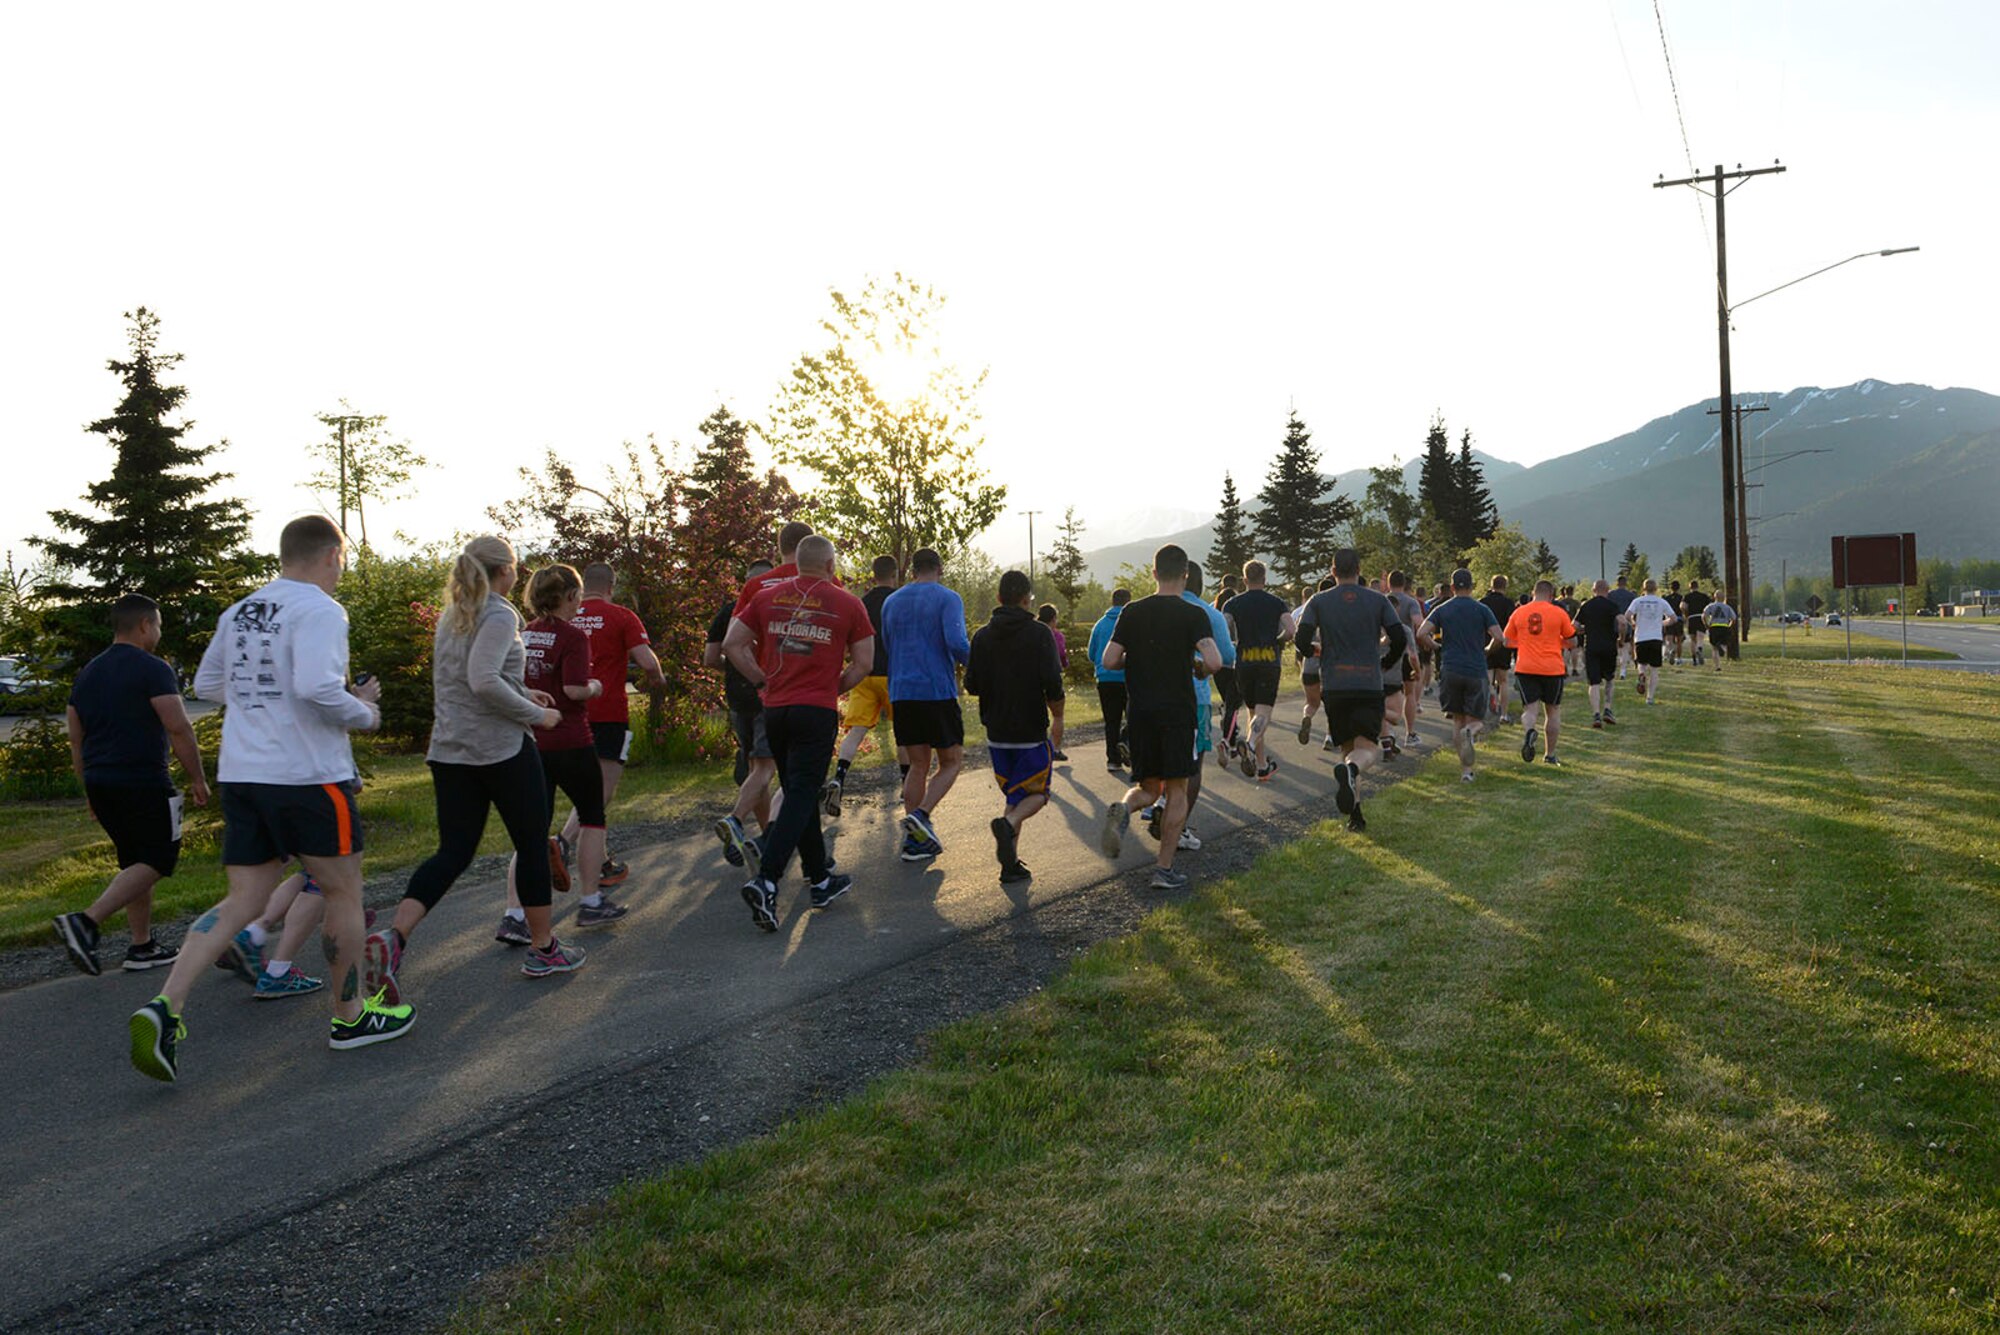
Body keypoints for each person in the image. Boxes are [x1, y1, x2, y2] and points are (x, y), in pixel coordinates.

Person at [128, 516, 409, 1083]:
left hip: (244, 774)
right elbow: (316, 688)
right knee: (342, 892)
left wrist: (267, 698)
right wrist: (366, 713)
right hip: (309, 776)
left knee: (242, 899)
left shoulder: (241, 610)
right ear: (332, 554)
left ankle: (165, 1004)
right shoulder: (322, 610)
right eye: (343, 558)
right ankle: (350, 1016)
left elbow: (207, 685)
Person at [366, 535, 578, 1002]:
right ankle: (544, 949)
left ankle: (394, 938)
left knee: (454, 851)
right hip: (500, 749)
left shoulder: (454, 614)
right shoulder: (500, 612)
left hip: (450, 751)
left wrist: (524, 693)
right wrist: (535, 714)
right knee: (530, 843)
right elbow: (483, 681)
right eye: (517, 565)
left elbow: (481, 677)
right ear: (504, 571)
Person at [721, 535, 872, 931]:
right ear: (830, 564)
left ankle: (820, 878)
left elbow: (733, 644)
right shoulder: (846, 601)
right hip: (815, 711)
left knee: (798, 792)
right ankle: (767, 879)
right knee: (802, 793)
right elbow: (864, 663)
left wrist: (760, 680)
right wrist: (831, 687)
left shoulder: (767, 596)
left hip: (776, 710)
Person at [54, 593, 209, 977]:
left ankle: (141, 946)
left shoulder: (87, 673)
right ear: (144, 625)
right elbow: (178, 727)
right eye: (157, 625)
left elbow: (77, 738)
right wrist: (198, 777)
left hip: (101, 781)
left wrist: (88, 789)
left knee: (135, 861)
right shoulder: (152, 668)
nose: (158, 632)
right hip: (142, 779)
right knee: (159, 857)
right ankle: (85, 922)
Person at [499, 563, 626, 947]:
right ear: (570, 596)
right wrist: (595, 686)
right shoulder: (572, 636)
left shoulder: (524, 633)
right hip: (570, 737)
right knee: (592, 817)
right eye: (577, 598)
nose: (579, 607)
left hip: (531, 739)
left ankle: (514, 914)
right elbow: (572, 689)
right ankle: (591, 900)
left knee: (531, 830)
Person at [1097, 545, 1222, 890]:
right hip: (1178, 712)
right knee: (1177, 788)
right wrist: (1197, 668)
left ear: (1153, 573)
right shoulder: (1192, 613)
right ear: (1185, 574)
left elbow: (1109, 660)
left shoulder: (1132, 611)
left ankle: (1124, 809)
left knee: (1148, 788)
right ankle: (1163, 869)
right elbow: (1214, 662)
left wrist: (1132, 662)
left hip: (1140, 712)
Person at [565, 563, 665, 888]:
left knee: (585, 789)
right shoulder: (621, 616)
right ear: (611, 585)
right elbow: (647, 662)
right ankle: (562, 843)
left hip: (567, 715)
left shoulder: (565, 616)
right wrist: (658, 681)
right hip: (607, 713)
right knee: (600, 792)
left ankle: (603, 863)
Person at [1293, 549, 1407, 831]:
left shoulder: (1318, 601)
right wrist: (1386, 662)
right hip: (1368, 683)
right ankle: (1352, 772)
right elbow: (1399, 637)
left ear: (1332, 572)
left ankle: (1356, 816)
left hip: (1334, 684)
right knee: (1368, 749)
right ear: (1358, 569)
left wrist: (1313, 651)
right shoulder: (1378, 600)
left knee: (1347, 747)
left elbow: (1300, 637)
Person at [964, 571, 1064, 884]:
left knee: (1014, 794)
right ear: (1027, 598)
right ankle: (1010, 825)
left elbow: (972, 685)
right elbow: (1052, 680)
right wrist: (1056, 709)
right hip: (1030, 730)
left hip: (996, 731)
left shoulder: (981, 636)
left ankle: (1010, 865)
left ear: (998, 598)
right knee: (1037, 794)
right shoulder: (1039, 633)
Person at [880, 548, 970, 861]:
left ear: (913, 570)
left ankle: (914, 843)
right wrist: (979, 665)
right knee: (952, 760)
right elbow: (957, 643)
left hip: (902, 690)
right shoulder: (948, 598)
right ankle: (922, 816)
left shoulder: (891, 601)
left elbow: (889, 643)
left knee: (917, 765)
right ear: (940, 569)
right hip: (935, 690)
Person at [822, 554, 905, 818]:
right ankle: (907, 784)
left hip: (863, 674)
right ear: (894, 574)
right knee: (902, 733)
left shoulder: (861, 603)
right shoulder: (900, 601)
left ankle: (840, 777)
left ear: (873, 574)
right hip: (894, 674)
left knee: (855, 732)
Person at [708, 558, 776, 867]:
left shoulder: (727, 612)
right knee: (765, 769)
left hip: (737, 698)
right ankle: (737, 822)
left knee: (755, 768)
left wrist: (735, 669)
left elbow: (710, 658)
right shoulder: (777, 606)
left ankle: (766, 838)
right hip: (767, 694)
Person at [1168, 562, 1235, 851]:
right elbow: (1226, 657)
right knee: (1193, 765)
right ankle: (1178, 827)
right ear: (1200, 584)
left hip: (1153, 696)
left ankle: (1155, 803)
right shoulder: (1210, 614)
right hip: (1195, 697)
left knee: (1165, 758)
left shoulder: (1152, 608)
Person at [1416, 569, 1504, 782]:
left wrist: (1436, 646)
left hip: (1451, 668)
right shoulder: (1482, 609)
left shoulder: (1442, 609)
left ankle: (1465, 771)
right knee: (1476, 721)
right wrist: (1488, 649)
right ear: (1472, 587)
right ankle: (1471, 733)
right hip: (1475, 669)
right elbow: (1500, 637)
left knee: (1457, 720)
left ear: (1453, 587)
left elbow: (1420, 633)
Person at [1221, 561, 1290, 780]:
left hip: (1244, 662)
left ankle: (1261, 766)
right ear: (1265, 579)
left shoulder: (1233, 603)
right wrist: (1278, 642)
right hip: (1268, 661)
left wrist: (1233, 643)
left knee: (1254, 714)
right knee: (1263, 714)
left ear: (1244, 579)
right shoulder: (1277, 602)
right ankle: (1249, 745)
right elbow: (1291, 630)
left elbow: (1223, 629)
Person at [1502, 581, 1577, 766]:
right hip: (1552, 667)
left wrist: (1523, 644)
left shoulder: (1519, 612)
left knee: (1530, 708)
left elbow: (1506, 640)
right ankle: (1550, 754)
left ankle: (1529, 731)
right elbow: (1572, 640)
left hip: (1526, 667)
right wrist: (1559, 643)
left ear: (1532, 592)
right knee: (1552, 711)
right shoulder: (1559, 613)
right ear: (1551, 595)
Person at [1088, 589, 1131, 772]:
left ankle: (1113, 760)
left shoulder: (1099, 625)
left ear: (1112, 601)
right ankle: (1127, 744)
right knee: (1134, 717)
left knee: (1111, 720)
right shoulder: (1132, 622)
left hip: (1105, 678)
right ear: (1128, 602)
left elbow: (1091, 653)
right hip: (1128, 677)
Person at [1573, 579, 1626, 728]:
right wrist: (1621, 638)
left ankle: (1596, 713)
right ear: (1608, 590)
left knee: (1594, 682)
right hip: (1609, 646)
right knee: (1609, 679)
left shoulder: (1586, 605)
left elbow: (1574, 625)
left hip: (1591, 647)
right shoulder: (1612, 605)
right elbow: (1622, 622)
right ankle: (1607, 709)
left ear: (1593, 590)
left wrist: (1584, 629)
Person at [1625, 578, 1679, 706]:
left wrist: (1633, 623)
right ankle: (1650, 697)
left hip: (1641, 637)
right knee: (1654, 669)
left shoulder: (1637, 601)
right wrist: (1662, 623)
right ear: (1656, 589)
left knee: (1641, 663)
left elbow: (1627, 615)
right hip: (1655, 637)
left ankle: (1641, 674)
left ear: (1643, 589)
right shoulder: (1661, 602)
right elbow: (1674, 618)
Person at [1295, 576, 1336, 744]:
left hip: (1309, 664)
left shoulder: (1309, 610)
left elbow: (1298, 639)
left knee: (1311, 703)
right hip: (1329, 664)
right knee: (1332, 705)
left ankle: (1307, 717)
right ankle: (1330, 736)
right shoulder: (1336, 610)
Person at [1210, 572, 1244, 762]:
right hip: (1234, 661)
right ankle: (1227, 741)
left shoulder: (1212, 613)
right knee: (1234, 704)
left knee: (1228, 702)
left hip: (1217, 663)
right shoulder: (1237, 613)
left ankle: (1230, 739)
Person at [1480, 575, 1518, 726]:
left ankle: (1489, 696)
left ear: (1491, 585)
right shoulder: (1509, 604)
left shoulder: (1483, 602)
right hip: (1503, 642)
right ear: (1505, 586)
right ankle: (1504, 714)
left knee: (1488, 677)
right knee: (1503, 680)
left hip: (1486, 642)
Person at [1036, 602, 1071, 761]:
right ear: (1053, 619)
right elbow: (1062, 657)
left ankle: (1039, 747)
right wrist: (1065, 665)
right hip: (1053, 678)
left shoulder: (1031, 632)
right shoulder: (1057, 636)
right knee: (1057, 715)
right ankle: (1055, 748)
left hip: (1034, 678)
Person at [1608, 574, 1638, 679]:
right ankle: (1623, 671)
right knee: (1625, 648)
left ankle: (1611, 669)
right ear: (1625, 583)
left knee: (1613, 649)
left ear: (1617, 583)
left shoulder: (1611, 595)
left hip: (1613, 624)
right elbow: (1634, 611)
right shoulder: (1631, 596)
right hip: (1627, 625)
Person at [1703, 589, 1739, 668]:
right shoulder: (1727, 607)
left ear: (1714, 597)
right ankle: (1721, 647)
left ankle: (1717, 666)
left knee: (1714, 648)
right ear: (1724, 598)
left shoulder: (1710, 606)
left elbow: (1704, 615)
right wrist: (1730, 625)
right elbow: (1734, 618)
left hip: (1714, 627)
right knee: (1724, 644)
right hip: (1724, 627)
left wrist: (1706, 624)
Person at [1556, 584, 1584, 678]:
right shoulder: (1576, 603)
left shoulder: (1561, 602)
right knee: (1574, 648)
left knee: (1564, 649)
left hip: (1562, 627)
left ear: (1564, 592)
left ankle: (1565, 667)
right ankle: (1574, 669)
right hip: (1573, 627)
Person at [1682, 581, 1709, 666]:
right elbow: (1709, 607)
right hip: (1701, 616)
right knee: (1700, 637)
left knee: (1693, 639)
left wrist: (1686, 614)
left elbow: (1683, 606)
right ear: (1698, 586)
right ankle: (1699, 648)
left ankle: (1694, 659)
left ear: (1690, 587)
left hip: (1691, 617)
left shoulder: (1687, 596)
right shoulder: (1704, 596)